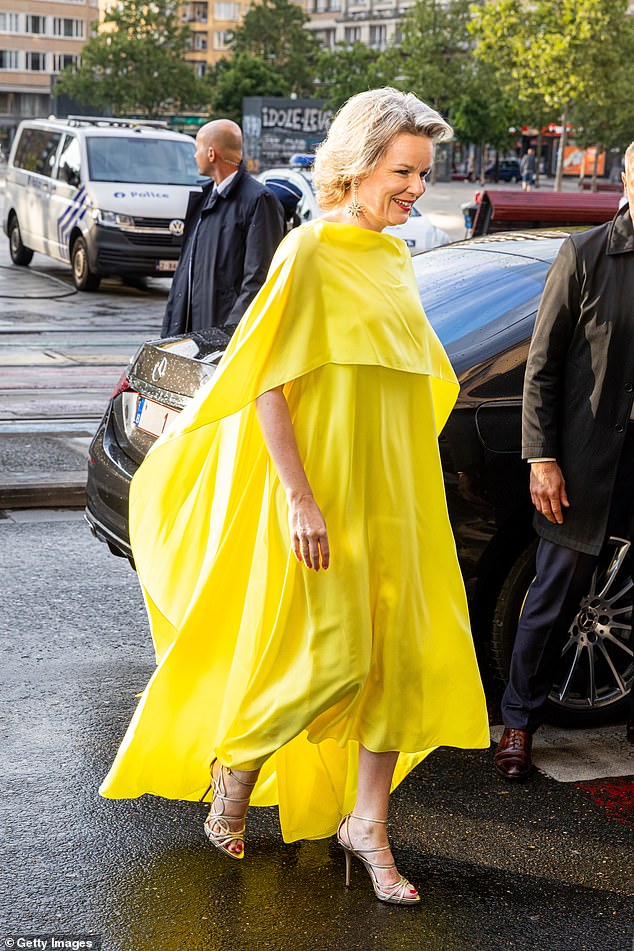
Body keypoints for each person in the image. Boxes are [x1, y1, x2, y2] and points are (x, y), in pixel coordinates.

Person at [100, 88, 489, 905]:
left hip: (398, 488)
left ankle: (369, 826)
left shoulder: (392, 258)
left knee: (399, 665)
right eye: (405, 171)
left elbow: (409, 378)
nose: (419, 188)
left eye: (425, 173)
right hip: (330, 492)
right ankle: (236, 765)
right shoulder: (310, 250)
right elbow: (269, 382)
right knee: (336, 654)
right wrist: (299, 498)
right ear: (358, 162)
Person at [494, 140, 634, 782]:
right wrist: (541, 457)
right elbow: (541, 370)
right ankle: (519, 723)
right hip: (582, 465)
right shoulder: (585, 256)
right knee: (552, 598)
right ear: (626, 178)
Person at [162, 119, 284, 338]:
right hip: (192, 336)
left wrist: (228, 335)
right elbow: (184, 274)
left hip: (225, 340)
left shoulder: (258, 200)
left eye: (197, 148)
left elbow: (259, 279)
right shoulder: (205, 197)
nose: (194, 155)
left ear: (211, 154)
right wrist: (171, 330)